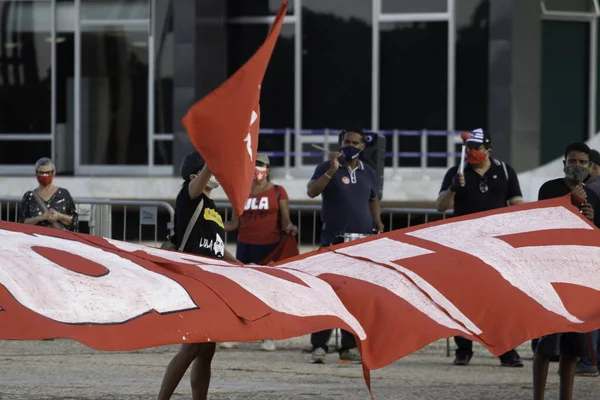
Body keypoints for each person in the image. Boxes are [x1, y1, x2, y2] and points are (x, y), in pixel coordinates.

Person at [436, 128, 524, 368]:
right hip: (462, 246)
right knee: (463, 299)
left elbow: (516, 204)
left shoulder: (505, 171)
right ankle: (463, 349)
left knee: (500, 299)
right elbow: (440, 207)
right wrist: (453, 188)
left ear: (488, 150)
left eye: (477, 149)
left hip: (494, 246)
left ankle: (506, 349)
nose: (472, 153)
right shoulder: (457, 171)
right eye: (469, 149)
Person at [158, 152, 241, 400]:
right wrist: (213, 157)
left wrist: (241, 265)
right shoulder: (189, 195)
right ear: (196, 175)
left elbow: (216, 246)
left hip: (212, 282)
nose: (214, 175)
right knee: (192, 346)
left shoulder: (211, 207)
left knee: (206, 351)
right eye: (208, 171)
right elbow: (202, 176)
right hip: (194, 281)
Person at [306, 127, 384, 364]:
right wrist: (330, 171)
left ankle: (348, 346)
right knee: (327, 292)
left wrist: (377, 221)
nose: (349, 145)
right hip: (334, 239)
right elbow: (311, 192)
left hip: (360, 241)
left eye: (354, 142)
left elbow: (374, 199)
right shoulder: (326, 167)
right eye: (346, 141)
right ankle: (319, 344)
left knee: (354, 296)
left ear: (362, 146)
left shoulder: (368, 171)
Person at [533, 142, 600, 399]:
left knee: (572, 348)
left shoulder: (593, 197)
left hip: (577, 277)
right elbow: (539, 223)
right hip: (549, 275)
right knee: (546, 345)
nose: (576, 166)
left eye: (582, 162)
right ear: (564, 163)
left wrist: (591, 221)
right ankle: (538, 395)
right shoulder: (549, 189)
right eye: (572, 161)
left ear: (590, 167)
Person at [220, 153, 298, 352]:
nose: (257, 170)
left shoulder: (278, 192)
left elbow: (285, 220)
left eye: (261, 166)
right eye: (253, 166)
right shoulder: (240, 192)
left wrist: (290, 227)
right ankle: (235, 333)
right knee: (239, 290)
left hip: (269, 247)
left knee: (267, 291)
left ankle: (268, 334)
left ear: (268, 170)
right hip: (244, 246)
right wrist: (213, 225)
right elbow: (234, 224)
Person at [18, 157, 78, 231]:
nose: (44, 176)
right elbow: (21, 222)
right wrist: (40, 217)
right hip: (36, 239)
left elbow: (74, 220)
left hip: (58, 240)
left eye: (47, 172)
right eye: (41, 173)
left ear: (53, 173)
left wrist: (59, 216)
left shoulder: (63, 194)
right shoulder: (29, 196)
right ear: (36, 174)